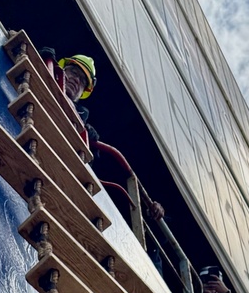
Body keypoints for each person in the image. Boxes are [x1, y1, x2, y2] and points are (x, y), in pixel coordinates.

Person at [46, 52, 166, 226]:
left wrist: (148, 206)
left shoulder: (85, 128)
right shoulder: (43, 73)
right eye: (72, 72)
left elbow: (113, 175)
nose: (75, 80)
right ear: (61, 69)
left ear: (84, 92)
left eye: (82, 80)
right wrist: (43, 58)